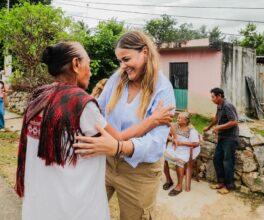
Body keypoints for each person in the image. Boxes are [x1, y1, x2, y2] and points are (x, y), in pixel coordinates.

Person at [16, 42, 172, 220]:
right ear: (76, 64)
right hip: (73, 203)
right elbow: (118, 137)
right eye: (88, 65)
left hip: (43, 199)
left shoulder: (39, 96)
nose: (90, 71)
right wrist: (153, 120)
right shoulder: (82, 104)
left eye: (125, 59)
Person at [74, 31, 175, 219]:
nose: (122, 66)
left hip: (139, 172)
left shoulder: (163, 89)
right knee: (87, 211)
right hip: (106, 161)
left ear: (144, 52)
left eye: (126, 59)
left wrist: (119, 146)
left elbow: (155, 143)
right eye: (120, 61)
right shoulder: (117, 78)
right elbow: (99, 113)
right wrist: (149, 122)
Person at [203, 88, 239, 194]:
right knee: (216, 159)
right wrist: (209, 127)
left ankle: (229, 186)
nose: (212, 99)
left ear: (219, 96)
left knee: (228, 162)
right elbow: (216, 118)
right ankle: (221, 182)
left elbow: (234, 122)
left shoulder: (227, 105)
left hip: (230, 138)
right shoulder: (219, 105)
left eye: (213, 97)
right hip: (222, 137)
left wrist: (219, 127)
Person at [163, 112, 200, 196]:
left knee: (179, 161)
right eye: (178, 117)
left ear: (186, 120)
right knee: (162, 158)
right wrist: (172, 140)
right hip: (175, 148)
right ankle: (169, 180)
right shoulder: (175, 126)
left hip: (186, 150)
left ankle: (179, 186)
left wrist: (181, 143)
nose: (177, 119)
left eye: (180, 118)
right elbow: (167, 135)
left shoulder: (191, 130)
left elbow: (196, 144)